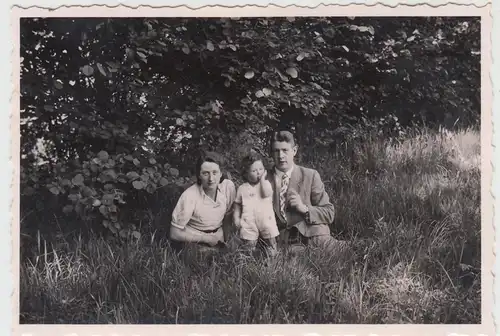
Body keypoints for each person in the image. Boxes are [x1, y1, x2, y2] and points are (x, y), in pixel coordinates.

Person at [266, 130, 346, 253]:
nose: (281, 156)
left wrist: (304, 208)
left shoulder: (310, 176)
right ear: (272, 153)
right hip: (279, 242)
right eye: (276, 151)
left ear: (294, 150)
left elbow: (329, 213)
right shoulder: (263, 179)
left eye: (285, 150)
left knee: (346, 252)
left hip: (310, 236)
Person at [169, 151, 236, 251]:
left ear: (221, 173)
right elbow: (174, 233)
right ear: (199, 175)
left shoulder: (228, 187)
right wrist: (206, 239)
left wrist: (227, 239)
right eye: (205, 173)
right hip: (195, 238)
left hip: (218, 234)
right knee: (204, 259)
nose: (211, 179)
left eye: (215, 173)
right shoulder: (190, 196)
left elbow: (228, 215)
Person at [233, 152, 280, 257]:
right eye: (254, 171)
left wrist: (263, 180)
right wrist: (236, 218)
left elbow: (267, 193)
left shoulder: (266, 184)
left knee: (271, 241)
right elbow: (237, 204)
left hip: (266, 219)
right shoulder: (242, 188)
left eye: (261, 169)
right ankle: (250, 259)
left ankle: (272, 260)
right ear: (246, 173)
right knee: (249, 244)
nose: (258, 173)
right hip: (248, 220)